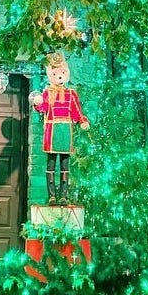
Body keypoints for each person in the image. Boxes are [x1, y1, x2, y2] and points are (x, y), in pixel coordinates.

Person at [32, 53, 89, 205]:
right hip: (52, 130)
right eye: (56, 73)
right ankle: (51, 196)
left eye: (62, 73)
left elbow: (77, 111)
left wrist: (82, 121)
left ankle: (63, 195)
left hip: (66, 130)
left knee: (65, 165)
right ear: (51, 75)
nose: (59, 76)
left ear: (66, 74)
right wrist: (37, 103)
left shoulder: (71, 94)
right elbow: (42, 108)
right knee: (51, 165)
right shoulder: (47, 92)